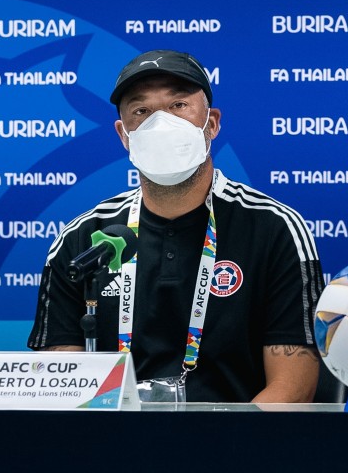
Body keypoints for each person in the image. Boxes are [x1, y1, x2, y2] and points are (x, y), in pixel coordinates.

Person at [28, 49, 324, 403]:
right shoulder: (83, 240)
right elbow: (60, 390)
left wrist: (222, 452)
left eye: (178, 105)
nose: (160, 123)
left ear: (211, 123)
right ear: (124, 135)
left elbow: (294, 387)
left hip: (240, 448)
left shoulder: (274, 229)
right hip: (112, 448)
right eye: (142, 111)